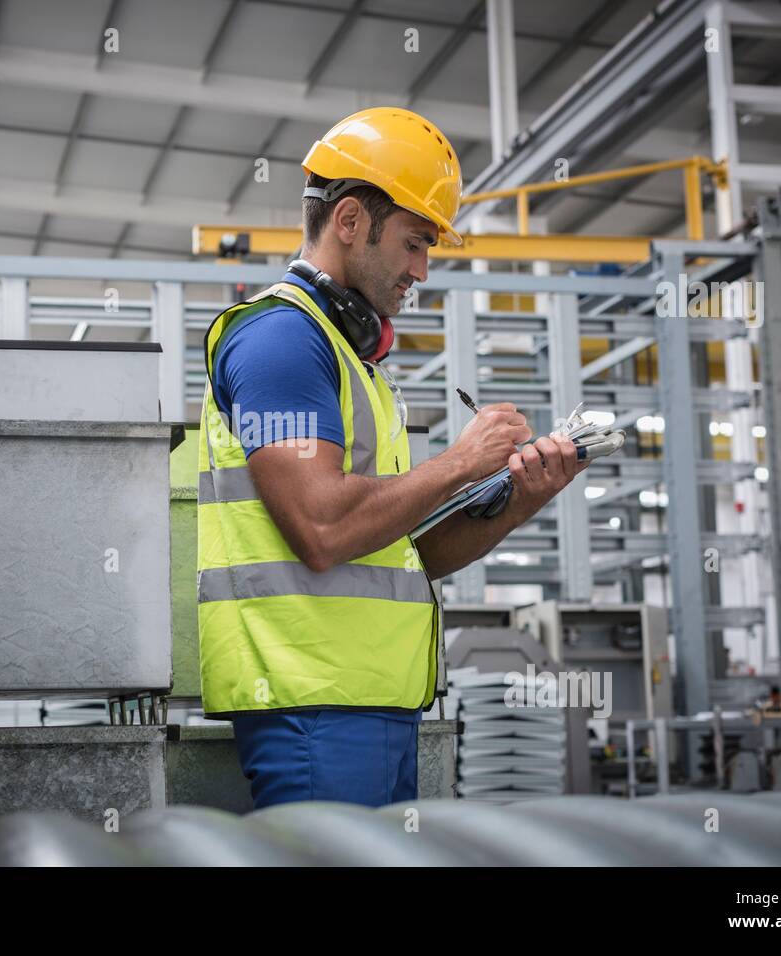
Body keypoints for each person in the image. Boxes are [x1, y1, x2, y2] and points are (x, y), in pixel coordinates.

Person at [196, 106, 589, 809]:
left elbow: (412, 555)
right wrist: (462, 463)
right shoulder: (281, 342)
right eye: (413, 243)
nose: (422, 269)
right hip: (312, 706)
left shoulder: (355, 365)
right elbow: (323, 530)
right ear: (349, 222)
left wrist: (523, 495)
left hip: (369, 705)